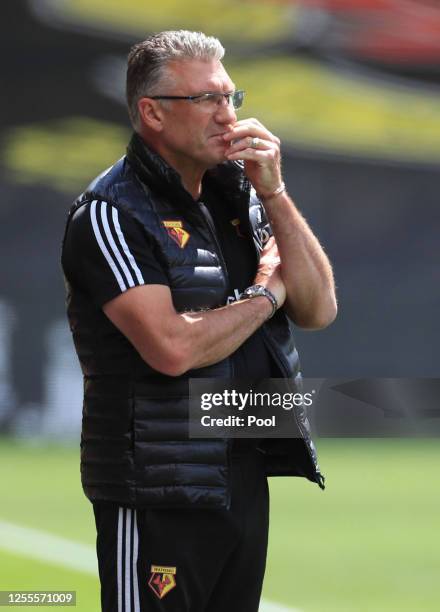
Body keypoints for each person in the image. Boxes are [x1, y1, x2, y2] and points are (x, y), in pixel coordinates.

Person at [61, 30, 337, 612]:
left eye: (231, 97)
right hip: (158, 486)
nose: (227, 115)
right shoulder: (111, 212)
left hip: (245, 466)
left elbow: (317, 309)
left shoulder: (239, 191)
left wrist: (277, 193)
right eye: (206, 99)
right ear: (152, 113)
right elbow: (171, 349)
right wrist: (264, 296)